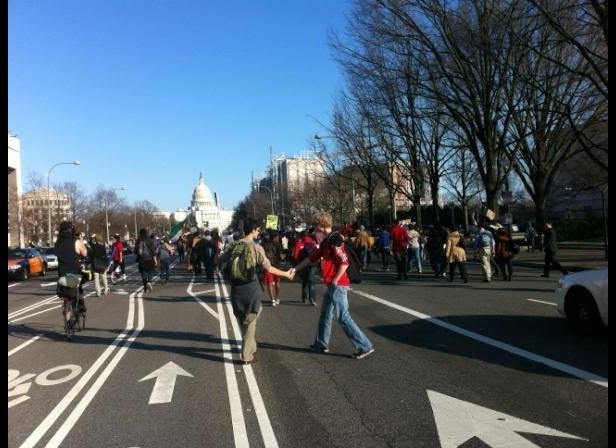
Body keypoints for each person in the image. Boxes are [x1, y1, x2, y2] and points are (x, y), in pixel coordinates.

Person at [293, 212, 375, 360]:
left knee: (343, 316)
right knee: (326, 314)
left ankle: (364, 346)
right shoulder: (326, 241)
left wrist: (336, 279)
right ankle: (321, 343)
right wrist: (295, 269)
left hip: (338, 284)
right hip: (333, 284)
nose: (314, 229)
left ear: (322, 225)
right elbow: (312, 258)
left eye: (316, 226)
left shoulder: (335, 239)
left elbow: (344, 262)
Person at [219, 218, 294, 364]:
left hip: (236, 288)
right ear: (252, 231)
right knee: (252, 318)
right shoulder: (256, 248)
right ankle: (247, 356)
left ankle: (251, 346)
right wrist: (285, 274)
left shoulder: (234, 245)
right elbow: (268, 268)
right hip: (251, 287)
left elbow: (220, 260)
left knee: (242, 317)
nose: (259, 232)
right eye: (258, 230)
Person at [55, 221, 89, 319]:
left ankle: (67, 319)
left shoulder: (58, 243)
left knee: (65, 296)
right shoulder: (76, 242)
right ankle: (81, 305)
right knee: (80, 287)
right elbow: (85, 253)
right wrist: (81, 240)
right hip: (75, 274)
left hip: (62, 275)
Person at [291, 229, 318, 306]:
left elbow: (295, 256)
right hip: (313, 264)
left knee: (305, 281)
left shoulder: (299, 244)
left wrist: (295, 267)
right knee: (311, 281)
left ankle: (304, 297)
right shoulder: (313, 243)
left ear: (301, 236)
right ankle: (312, 299)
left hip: (303, 264)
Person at [262, 231, 285, 306]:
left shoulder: (265, 245)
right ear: (275, 237)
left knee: (269, 283)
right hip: (277, 266)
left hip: (268, 266)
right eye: (278, 236)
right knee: (277, 283)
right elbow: (281, 256)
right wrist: (284, 256)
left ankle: (272, 300)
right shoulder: (278, 245)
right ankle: (277, 298)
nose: (278, 238)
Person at [135, 228, 159, 292]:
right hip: (150, 259)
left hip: (141, 260)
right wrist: (155, 259)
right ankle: (149, 282)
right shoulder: (150, 240)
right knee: (150, 271)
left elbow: (135, 251)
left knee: (143, 272)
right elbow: (153, 250)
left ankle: (145, 286)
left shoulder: (138, 241)